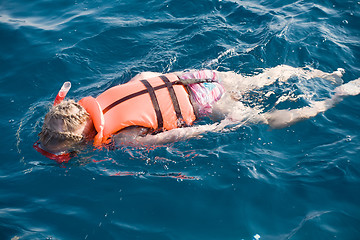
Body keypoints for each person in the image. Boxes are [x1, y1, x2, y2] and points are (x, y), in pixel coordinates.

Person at [35, 67, 360, 160]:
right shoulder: (105, 97)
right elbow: (145, 77)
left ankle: (330, 101)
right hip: (197, 78)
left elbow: (176, 134)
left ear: (86, 135)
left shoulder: (123, 137)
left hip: (204, 104)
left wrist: (213, 130)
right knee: (266, 77)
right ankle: (323, 75)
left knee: (261, 120)